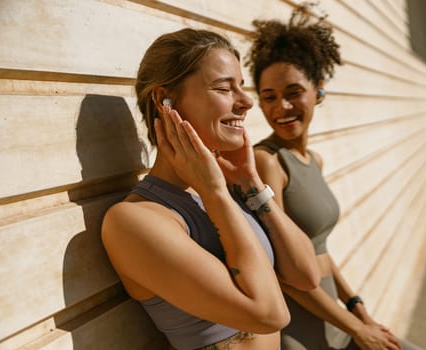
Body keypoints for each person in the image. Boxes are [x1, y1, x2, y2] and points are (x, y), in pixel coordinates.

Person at [101, 28, 321, 350]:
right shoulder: (134, 221)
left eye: (242, 88)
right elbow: (270, 315)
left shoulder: (232, 191)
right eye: (223, 88)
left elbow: (307, 275)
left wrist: (251, 184)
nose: (247, 102)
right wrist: (215, 193)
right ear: (165, 101)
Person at [245, 5, 422, 350]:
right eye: (270, 97)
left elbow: (320, 250)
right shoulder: (266, 162)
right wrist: (356, 329)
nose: (281, 107)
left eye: (293, 92)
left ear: (318, 89)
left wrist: (359, 310)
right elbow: (280, 269)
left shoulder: (314, 160)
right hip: (302, 327)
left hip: (338, 318)